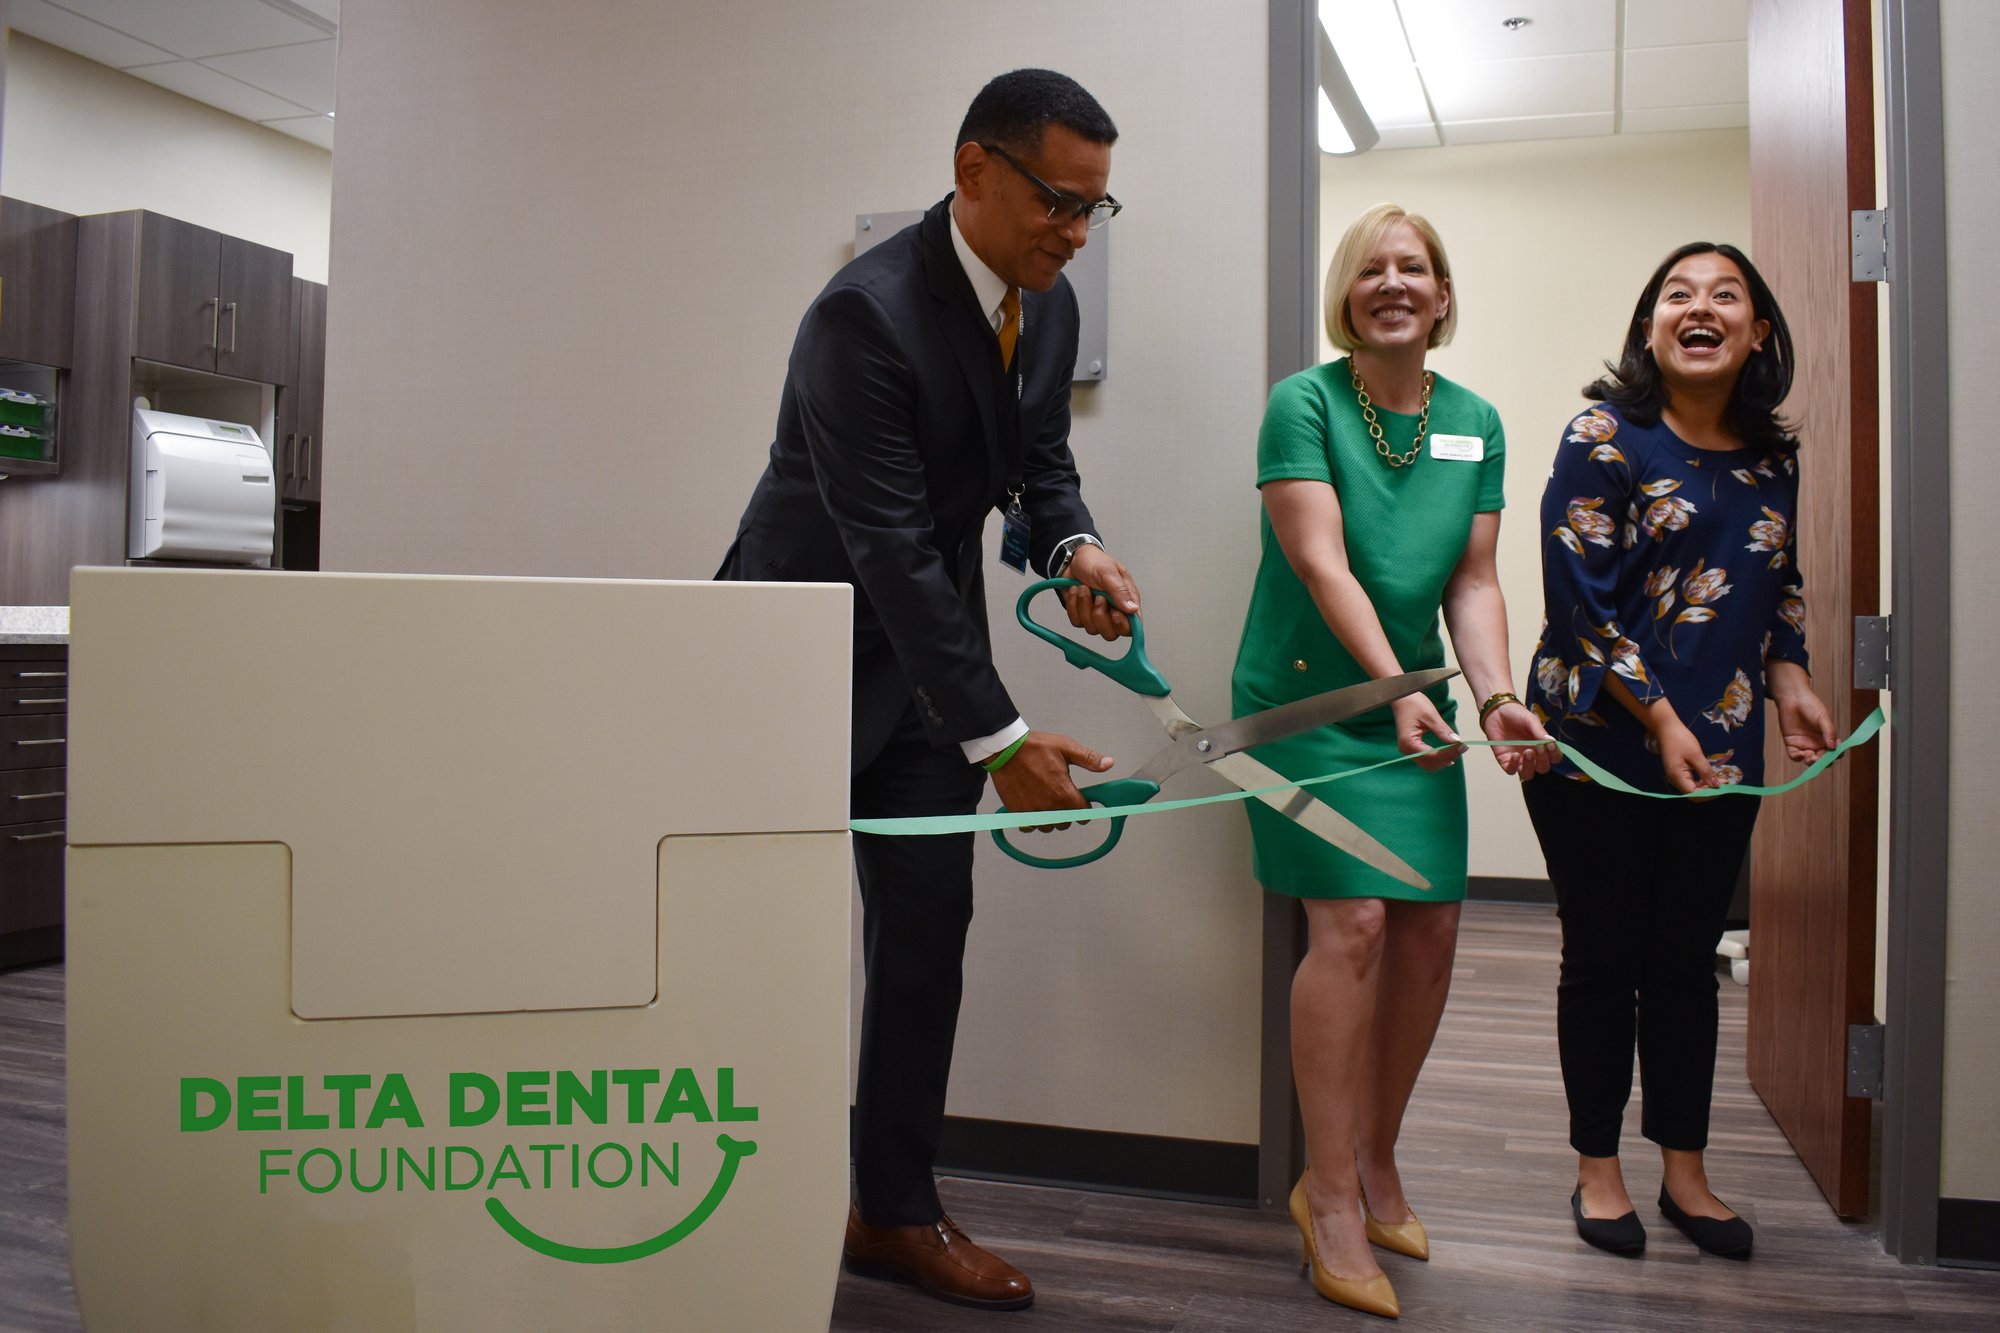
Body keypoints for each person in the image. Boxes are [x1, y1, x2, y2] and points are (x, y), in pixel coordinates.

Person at [716, 69, 1141, 1313]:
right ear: (973, 172)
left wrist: (1071, 554)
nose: (1072, 232)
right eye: (1058, 202)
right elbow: (891, 550)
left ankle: (890, 1212)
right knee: (757, 949)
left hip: (917, 674)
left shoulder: (1044, 308)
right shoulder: (863, 316)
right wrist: (1003, 738)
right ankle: (715, 1194)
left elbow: (1039, 465)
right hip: (786, 668)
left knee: (922, 940)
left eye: (1093, 211)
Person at [1230, 203, 1551, 1319]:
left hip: (1409, 704)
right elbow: (1319, 562)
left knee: (1430, 928)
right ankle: (1322, 1195)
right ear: (1346, 294)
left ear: (1443, 293)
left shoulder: (1474, 423)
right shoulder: (1303, 403)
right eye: (1371, 268)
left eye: (1413, 266)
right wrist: (1400, 687)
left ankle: (1375, 1159)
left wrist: (1497, 694)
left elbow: (1470, 581)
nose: (1393, 281)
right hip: (1304, 712)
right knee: (1353, 924)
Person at [1523, 242, 1838, 1262]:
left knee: (1683, 964)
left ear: (1754, 336)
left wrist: (1788, 677)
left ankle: (1685, 1173)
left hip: (1722, 741)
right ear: (1649, 327)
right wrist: (1658, 720)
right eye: (1675, 294)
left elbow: (1774, 584)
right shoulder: (1602, 437)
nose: (1697, 307)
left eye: (1724, 296)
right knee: (1603, 956)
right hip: (1600, 741)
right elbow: (1579, 607)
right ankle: (1596, 1169)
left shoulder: (1768, 455)